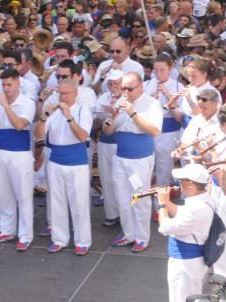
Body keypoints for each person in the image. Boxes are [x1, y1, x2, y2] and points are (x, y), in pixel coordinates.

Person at [0, 69, 36, 251]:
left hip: (20, 153)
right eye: (4, 85)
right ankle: (7, 230)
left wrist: (5, 106)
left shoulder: (27, 103)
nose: (6, 88)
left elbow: (20, 125)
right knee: (3, 193)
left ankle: (25, 235)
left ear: (19, 84)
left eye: (10, 84)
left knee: (23, 195)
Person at [104, 72, 162, 253]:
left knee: (140, 198)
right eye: (124, 88)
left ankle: (142, 238)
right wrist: (111, 116)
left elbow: (154, 131)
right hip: (121, 157)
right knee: (122, 198)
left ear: (141, 87)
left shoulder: (152, 104)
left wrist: (132, 113)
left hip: (140, 159)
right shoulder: (121, 102)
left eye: (130, 88)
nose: (126, 92)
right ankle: (128, 234)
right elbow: (108, 132)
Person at [154, 163, 212, 302]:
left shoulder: (196, 208)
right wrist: (168, 201)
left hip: (185, 264)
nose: (179, 182)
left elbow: (164, 227)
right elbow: (180, 212)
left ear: (192, 185)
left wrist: (162, 204)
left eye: (183, 180)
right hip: (192, 262)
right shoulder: (202, 199)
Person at [35, 80, 93, 255]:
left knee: (79, 204)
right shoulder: (53, 112)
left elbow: (83, 136)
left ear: (75, 94)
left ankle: (83, 241)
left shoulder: (83, 111)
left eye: (67, 93)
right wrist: (44, 118)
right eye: (61, 93)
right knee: (57, 202)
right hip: (56, 161)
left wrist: (69, 117)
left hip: (77, 163)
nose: (63, 97)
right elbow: (38, 136)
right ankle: (59, 239)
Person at [145, 54, 184, 190]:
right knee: (146, 168)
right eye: (156, 70)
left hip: (169, 132)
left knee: (164, 170)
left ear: (170, 68)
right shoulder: (147, 85)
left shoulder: (179, 87)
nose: (158, 74)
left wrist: (167, 95)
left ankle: (161, 204)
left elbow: (180, 116)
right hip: (149, 131)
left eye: (162, 70)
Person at [93, 70, 125, 227]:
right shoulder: (103, 98)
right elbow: (97, 115)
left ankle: (125, 213)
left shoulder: (128, 98)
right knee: (106, 178)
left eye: (116, 83)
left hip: (121, 142)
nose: (113, 87)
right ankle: (112, 213)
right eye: (111, 84)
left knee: (122, 180)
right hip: (105, 141)